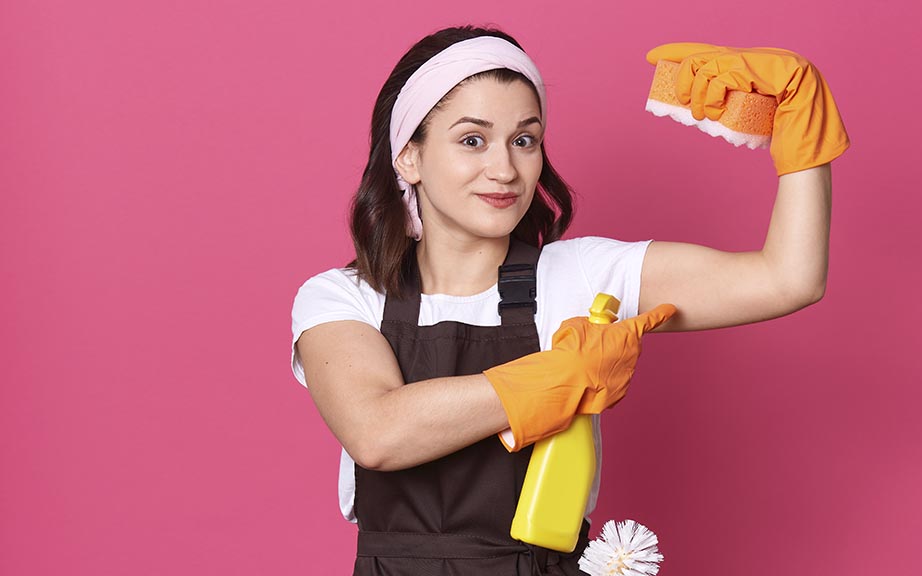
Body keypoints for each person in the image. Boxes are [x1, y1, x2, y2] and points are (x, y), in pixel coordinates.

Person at [290, 25, 849, 576]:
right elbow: (377, 432)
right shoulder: (346, 297)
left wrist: (801, 120)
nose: (505, 170)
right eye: (472, 140)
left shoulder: (579, 276)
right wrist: (564, 375)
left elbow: (787, 279)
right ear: (408, 157)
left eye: (524, 140)